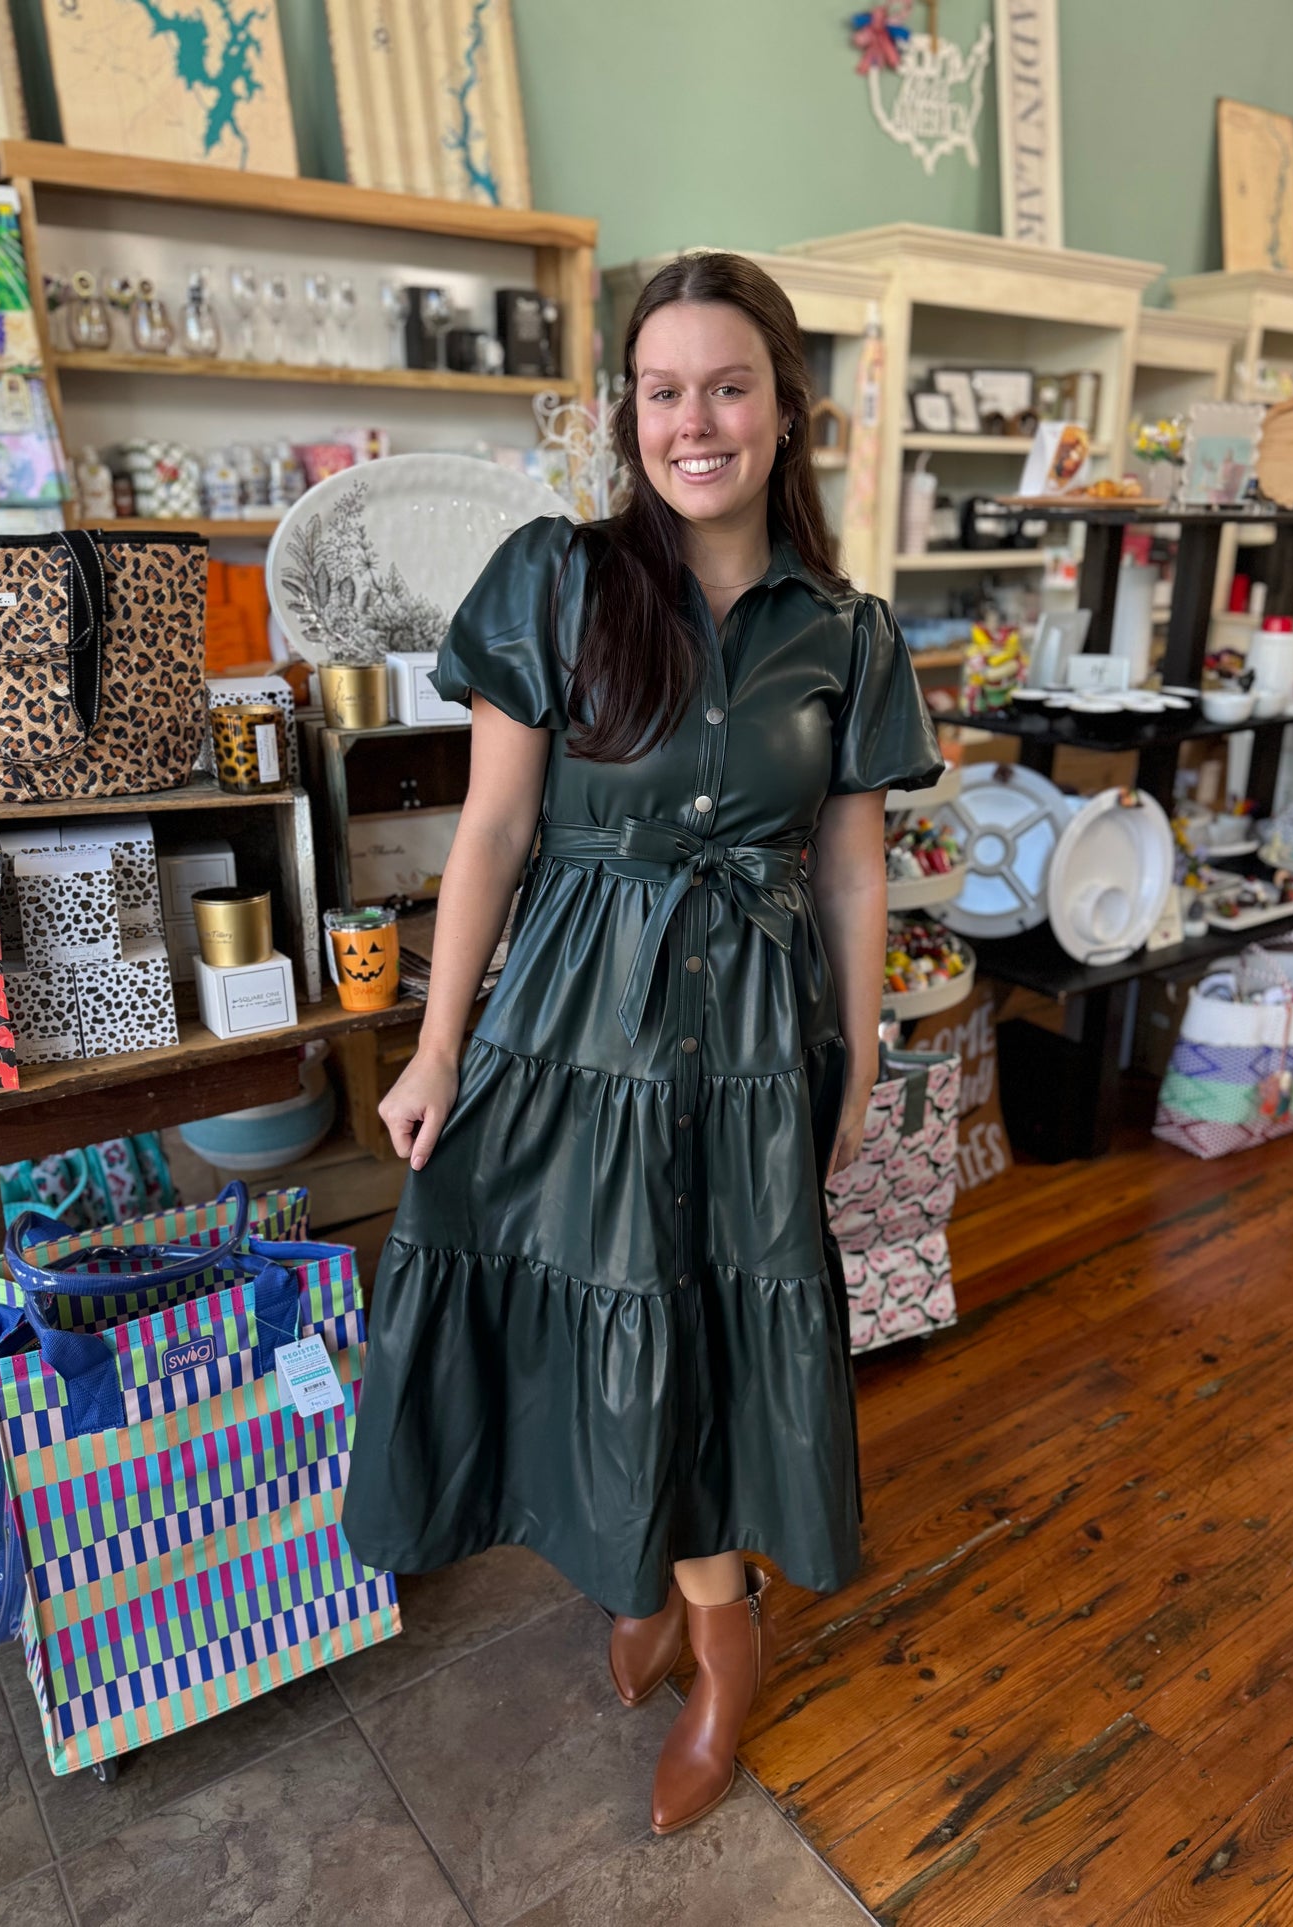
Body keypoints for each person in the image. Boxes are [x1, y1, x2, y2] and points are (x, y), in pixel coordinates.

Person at [342, 251, 943, 1835]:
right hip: (565, 1036)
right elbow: (489, 831)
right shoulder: (556, 577)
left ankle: (721, 1642)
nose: (695, 420)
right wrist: (433, 1046)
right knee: (580, 1309)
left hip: (750, 1040)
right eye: (662, 388)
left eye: (727, 385)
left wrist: (861, 1054)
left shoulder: (849, 630)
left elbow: (850, 861)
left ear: (783, 410)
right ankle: (639, 1571)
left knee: (720, 1330)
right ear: (629, 411)